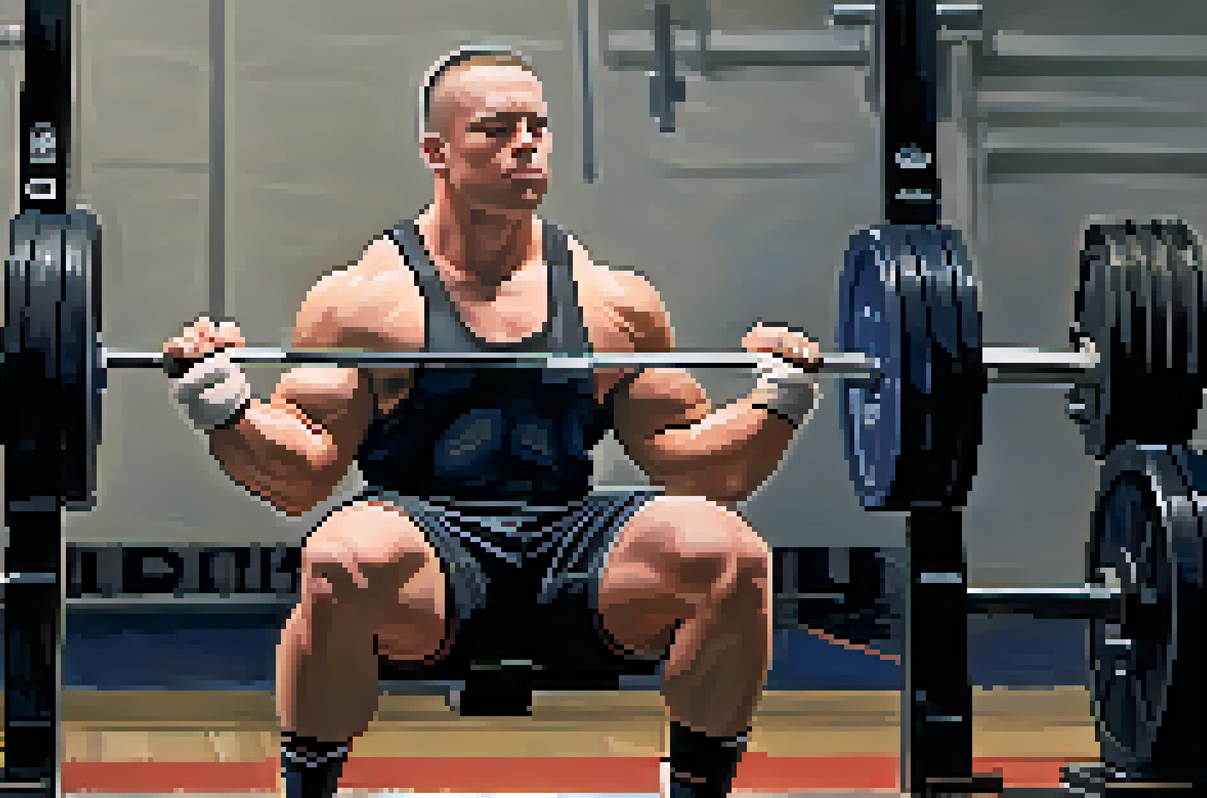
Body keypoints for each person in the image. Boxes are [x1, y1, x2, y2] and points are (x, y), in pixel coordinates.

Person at [163, 45, 823, 798]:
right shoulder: (366, 303)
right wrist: (221, 401)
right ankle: (309, 789)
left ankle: (699, 791)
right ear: (436, 152)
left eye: (537, 127)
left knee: (730, 554)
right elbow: (302, 475)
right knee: (341, 556)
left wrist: (779, 398)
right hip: (425, 551)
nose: (526, 145)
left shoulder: (614, 303)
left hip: (576, 545)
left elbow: (703, 470)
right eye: (497, 128)